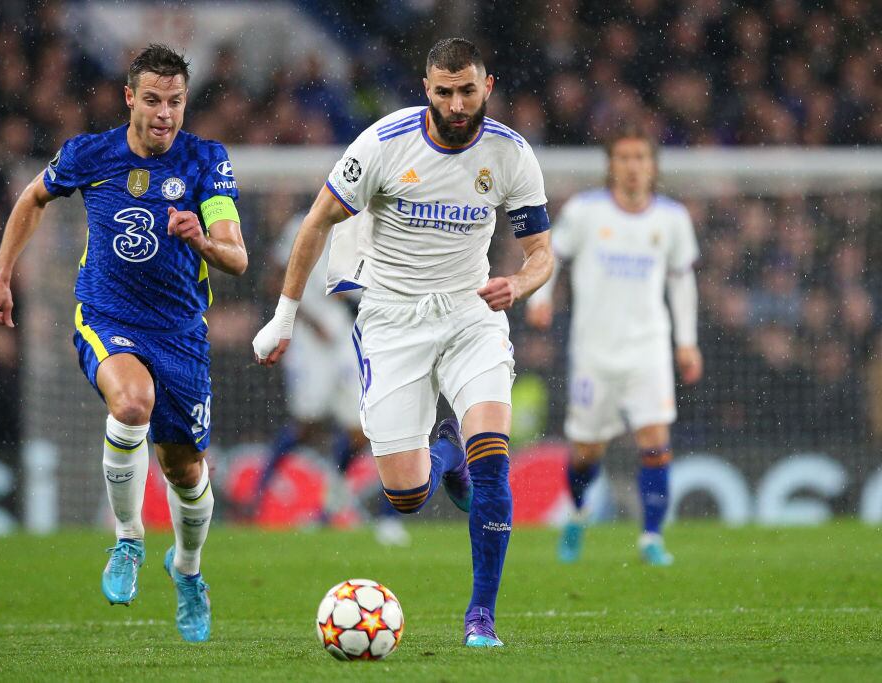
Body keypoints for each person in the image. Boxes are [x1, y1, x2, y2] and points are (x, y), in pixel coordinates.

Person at [253, 38, 554, 647]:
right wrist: (285, 316)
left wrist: (520, 284)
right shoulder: (384, 144)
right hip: (392, 322)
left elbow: (541, 252)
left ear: (487, 86)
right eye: (444, 91)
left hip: (471, 314)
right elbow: (317, 221)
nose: (456, 103)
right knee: (407, 494)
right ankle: (447, 451)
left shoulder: (511, 154)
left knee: (493, 456)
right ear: (426, 90)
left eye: (467, 90)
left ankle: (481, 617)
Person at [0, 44, 247, 642]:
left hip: (180, 332)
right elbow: (33, 197)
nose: (164, 114)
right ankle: (128, 540)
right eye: (152, 100)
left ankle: (188, 571)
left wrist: (202, 240)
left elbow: (237, 256)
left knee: (185, 471)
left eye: (175, 102)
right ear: (129, 98)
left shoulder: (206, 161)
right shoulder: (89, 154)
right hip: (107, 315)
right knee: (131, 403)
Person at [526, 124, 702, 566]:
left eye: (640, 157)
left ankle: (651, 538)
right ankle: (579, 512)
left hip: (649, 348)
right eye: (623, 158)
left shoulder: (672, 219)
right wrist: (541, 298)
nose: (632, 167)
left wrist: (686, 342)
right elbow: (551, 256)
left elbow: (682, 282)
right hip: (594, 352)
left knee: (655, 439)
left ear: (653, 166)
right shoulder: (586, 212)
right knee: (587, 451)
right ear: (611, 165)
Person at [251, 212, 410, 547]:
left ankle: (334, 508)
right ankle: (256, 498)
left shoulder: (368, 226)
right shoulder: (302, 225)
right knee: (306, 425)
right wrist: (307, 320)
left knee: (361, 428)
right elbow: (273, 279)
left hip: (346, 337)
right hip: (308, 344)